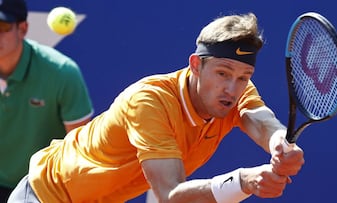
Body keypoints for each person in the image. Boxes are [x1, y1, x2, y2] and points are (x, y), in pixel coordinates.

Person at [8, 12, 304, 203]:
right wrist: (243, 181)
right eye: (223, 73)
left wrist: (278, 141)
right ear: (196, 65)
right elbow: (171, 196)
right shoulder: (149, 102)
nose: (232, 88)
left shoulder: (237, 93)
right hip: (45, 194)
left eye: (243, 77)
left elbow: (259, 119)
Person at [0, 0, 94, 201]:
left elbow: (79, 150)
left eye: (3, 27)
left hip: (41, 189)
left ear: (23, 29)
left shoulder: (62, 73)